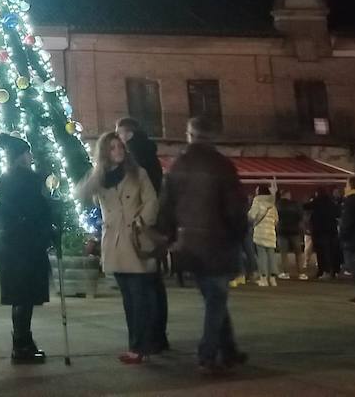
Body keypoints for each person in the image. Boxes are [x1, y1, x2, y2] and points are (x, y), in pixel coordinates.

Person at [156, 117, 247, 377]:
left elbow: (166, 206)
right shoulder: (223, 166)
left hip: (190, 245)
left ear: (190, 134)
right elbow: (235, 208)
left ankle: (228, 350)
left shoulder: (178, 165)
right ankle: (207, 354)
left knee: (213, 297)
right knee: (216, 299)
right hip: (218, 243)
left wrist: (167, 235)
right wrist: (238, 235)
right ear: (212, 136)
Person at [82, 131, 161, 364]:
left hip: (134, 240)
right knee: (128, 298)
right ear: (105, 152)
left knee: (138, 297)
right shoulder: (100, 179)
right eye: (113, 148)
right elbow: (83, 194)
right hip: (114, 242)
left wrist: (140, 221)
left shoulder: (138, 174)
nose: (118, 151)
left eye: (120, 147)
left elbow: (152, 201)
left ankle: (140, 346)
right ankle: (137, 345)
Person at [0, 133, 54, 363]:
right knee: (25, 296)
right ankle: (22, 345)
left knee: (20, 297)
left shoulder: (6, 179)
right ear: (21, 156)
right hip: (26, 245)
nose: (30, 156)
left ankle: (23, 342)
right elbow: (40, 209)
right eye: (27, 153)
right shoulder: (28, 179)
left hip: (11, 245)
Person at [116, 117, 168, 347]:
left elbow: (141, 195)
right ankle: (158, 336)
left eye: (118, 135)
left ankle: (147, 338)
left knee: (142, 285)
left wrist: (138, 222)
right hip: (153, 224)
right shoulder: (150, 153)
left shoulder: (134, 156)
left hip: (140, 226)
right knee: (153, 282)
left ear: (127, 134)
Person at [247, 185, 279, 286]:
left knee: (262, 256)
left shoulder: (257, 201)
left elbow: (252, 216)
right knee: (271, 255)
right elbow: (276, 219)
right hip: (271, 232)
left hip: (260, 232)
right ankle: (273, 279)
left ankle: (263, 278)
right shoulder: (272, 204)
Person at [306, 187, 340, 279]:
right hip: (332, 231)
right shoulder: (331, 202)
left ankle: (324, 271)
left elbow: (305, 206)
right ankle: (334, 271)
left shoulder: (316, 202)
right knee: (332, 252)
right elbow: (338, 213)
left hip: (319, 231)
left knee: (321, 253)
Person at [276, 190, 304, 279]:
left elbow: (276, 218)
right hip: (294, 231)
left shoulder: (277, 205)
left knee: (284, 254)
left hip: (282, 231)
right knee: (298, 253)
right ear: (288, 195)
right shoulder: (295, 204)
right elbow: (300, 215)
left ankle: (286, 273)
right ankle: (301, 273)